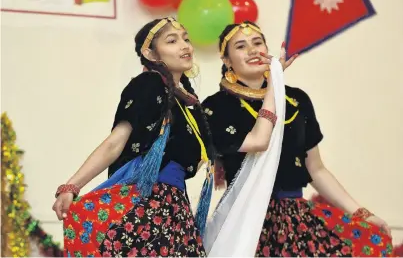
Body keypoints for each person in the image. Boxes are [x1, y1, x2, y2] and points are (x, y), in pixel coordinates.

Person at [202, 21, 394, 257]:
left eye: (258, 43)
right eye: (241, 46)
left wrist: (360, 212)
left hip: (296, 218)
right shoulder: (216, 107)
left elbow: (316, 169)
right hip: (247, 221)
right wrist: (275, 82)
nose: (252, 50)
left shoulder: (296, 100)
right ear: (227, 60)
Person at [51, 17, 217, 257]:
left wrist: (272, 83)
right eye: (172, 40)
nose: (185, 46)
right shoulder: (149, 84)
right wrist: (72, 186)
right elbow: (115, 142)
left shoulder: (185, 104)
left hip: (174, 208)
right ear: (150, 54)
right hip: (149, 205)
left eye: (186, 39)